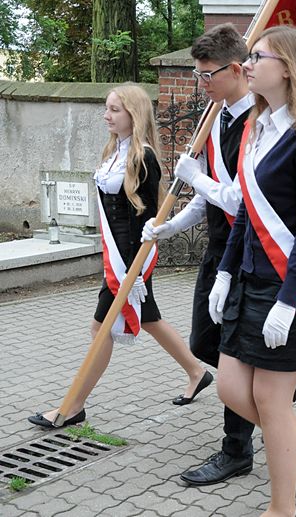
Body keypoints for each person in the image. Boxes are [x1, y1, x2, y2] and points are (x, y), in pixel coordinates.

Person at [208, 26, 296, 516]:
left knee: (271, 402)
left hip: (289, 287)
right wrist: (224, 272)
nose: (247, 63)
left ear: (286, 67)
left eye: (257, 56)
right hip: (247, 277)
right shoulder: (255, 128)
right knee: (230, 388)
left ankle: (282, 509)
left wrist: (287, 301)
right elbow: (247, 211)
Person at [141, 23, 279, 486]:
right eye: (198, 75)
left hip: (248, 252)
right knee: (205, 343)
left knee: (231, 351)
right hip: (219, 248)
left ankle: (237, 447)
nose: (201, 83)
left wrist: (194, 177)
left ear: (236, 69)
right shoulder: (218, 119)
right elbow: (207, 200)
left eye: (206, 75)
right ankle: (273, 401)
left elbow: (243, 199)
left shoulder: (257, 124)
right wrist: (168, 228)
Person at [28, 85, 210, 429]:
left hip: (130, 261)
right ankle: (196, 371)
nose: (106, 115)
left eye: (114, 110)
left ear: (133, 115)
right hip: (118, 259)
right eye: (107, 108)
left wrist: (134, 271)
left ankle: (72, 406)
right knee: (149, 318)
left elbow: (148, 218)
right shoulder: (114, 150)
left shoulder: (143, 157)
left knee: (102, 328)